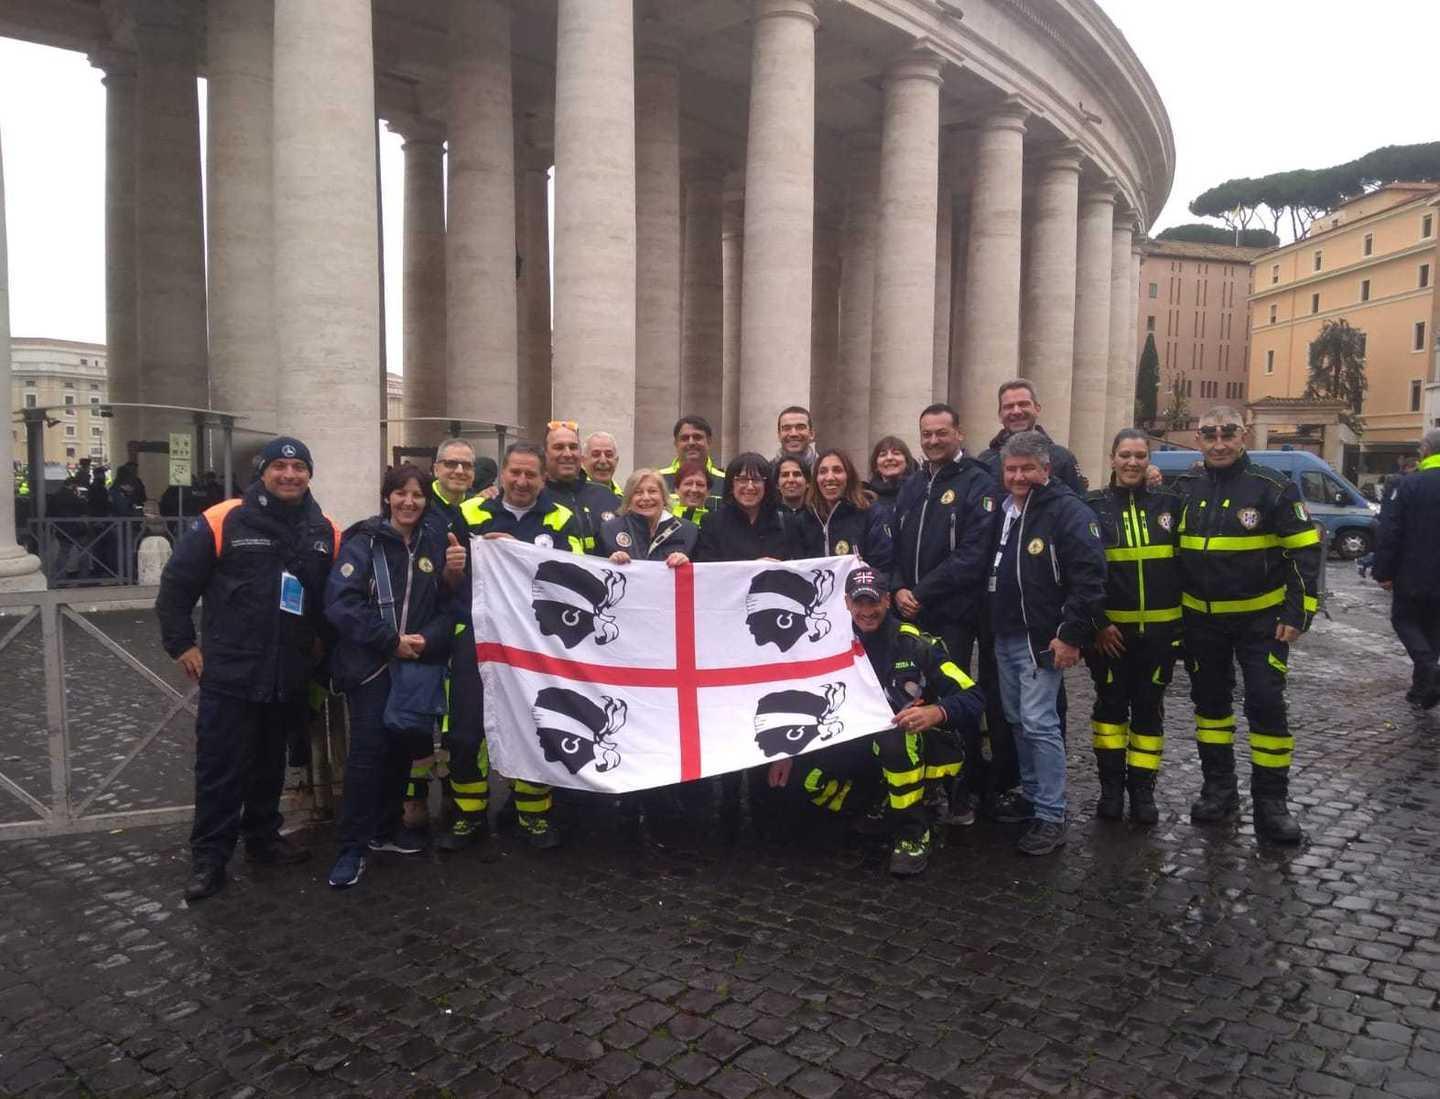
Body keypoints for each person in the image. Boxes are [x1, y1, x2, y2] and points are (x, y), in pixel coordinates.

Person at [156, 436, 339, 901]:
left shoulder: (324, 529)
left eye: (299, 469)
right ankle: (209, 856)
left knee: (268, 764)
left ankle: (262, 838)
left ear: (309, 475)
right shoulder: (223, 519)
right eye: (279, 467)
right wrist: (181, 645)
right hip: (232, 670)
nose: (289, 475)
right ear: (262, 472)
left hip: (289, 672)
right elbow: (177, 586)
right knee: (220, 767)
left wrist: (323, 648)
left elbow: (329, 602)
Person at [771, 566, 984, 876]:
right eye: (859, 603)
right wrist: (788, 754)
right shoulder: (831, 642)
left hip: (921, 745)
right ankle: (877, 805)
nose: (866, 612)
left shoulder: (914, 643)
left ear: (887, 601)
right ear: (846, 603)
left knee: (894, 738)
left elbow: (974, 696)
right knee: (801, 778)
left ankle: (913, 832)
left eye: (873, 603)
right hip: (858, 742)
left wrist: (934, 712)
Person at [1174, 406, 1320, 844]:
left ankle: (1272, 803)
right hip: (1202, 624)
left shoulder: (1273, 488)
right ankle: (1219, 790)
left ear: (1245, 435)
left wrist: (1298, 614)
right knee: (1210, 708)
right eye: (1209, 434)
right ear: (1197, 438)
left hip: (1261, 624)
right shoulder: (1184, 489)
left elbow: (1305, 555)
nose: (1219, 443)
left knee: (1266, 705)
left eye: (1228, 434)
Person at [444, 441, 585, 852]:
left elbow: (576, 579)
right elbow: (447, 580)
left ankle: (533, 815)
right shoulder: (469, 513)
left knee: (535, 726)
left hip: (534, 645)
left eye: (531, 475)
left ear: (543, 479)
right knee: (466, 730)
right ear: (501, 475)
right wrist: (456, 568)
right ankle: (468, 815)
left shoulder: (562, 519)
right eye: (515, 473)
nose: (522, 482)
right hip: (477, 640)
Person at [973, 431, 1107, 855]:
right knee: (1016, 720)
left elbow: (1089, 579)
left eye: (1027, 468)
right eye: (1011, 469)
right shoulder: (1005, 510)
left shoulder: (1066, 512)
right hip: (1005, 635)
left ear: (1045, 470)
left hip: (1041, 639)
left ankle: (1051, 813)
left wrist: (1070, 636)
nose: (1018, 476)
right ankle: (1032, 796)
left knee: (1039, 723)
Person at [323, 465, 454, 888]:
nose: (409, 502)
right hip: (371, 666)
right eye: (401, 494)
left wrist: (426, 640)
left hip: (412, 666)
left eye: (417, 495)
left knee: (401, 748)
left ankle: (384, 829)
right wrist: (388, 640)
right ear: (388, 498)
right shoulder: (363, 543)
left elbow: (445, 607)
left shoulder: (432, 544)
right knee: (366, 757)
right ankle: (351, 847)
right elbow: (341, 604)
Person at [889, 403, 1002, 823]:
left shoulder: (978, 484)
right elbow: (895, 546)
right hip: (910, 615)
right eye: (926, 434)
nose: (933, 440)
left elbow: (974, 555)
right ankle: (928, 784)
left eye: (941, 432)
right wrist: (898, 587)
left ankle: (963, 790)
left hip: (952, 615)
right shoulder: (913, 484)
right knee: (914, 699)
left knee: (955, 703)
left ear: (958, 433)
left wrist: (920, 591)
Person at [1082, 429, 1183, 824]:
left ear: (1149, 461)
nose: (1132, 463)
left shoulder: (1171, 504)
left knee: (1148, 713)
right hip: (1109, 637)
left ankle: (1142, 790)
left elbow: (1187, 567)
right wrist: (1098, 624)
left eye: (1140, 456)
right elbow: (1082, 574)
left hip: (1159, 636)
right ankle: (1110, 789)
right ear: (1112, 459)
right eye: (1125, 455)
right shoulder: (1091, 507)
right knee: (1109, 711)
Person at [1373, 428, 1440, 707]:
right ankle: (1423, 689)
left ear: (1425, 450)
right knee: (1433, 627)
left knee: (1405, 621)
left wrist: (1383, 571)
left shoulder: (1409, 485)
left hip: (1413, 571)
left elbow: (1390, 530)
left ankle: (1429, 671)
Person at [975, 379, 1086, 495]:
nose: (1016, 411)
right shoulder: (985, 461)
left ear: (1037, 409)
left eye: (1023, 404)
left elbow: (1079, 504)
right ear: (1000, 415)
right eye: (1009, 406)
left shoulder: (1062, 458)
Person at [694, 453, 808, 564]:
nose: (749, 486)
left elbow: (800, 567)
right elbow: (708, 571)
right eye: (742, 479)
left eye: (756, 479)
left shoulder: (787, 522)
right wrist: (753, 567)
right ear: (731, 485)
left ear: (766, 485)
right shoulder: (712, 523)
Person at [801, 448, 893, 574]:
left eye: (837, 470)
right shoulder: (806, 517)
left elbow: (882, 566)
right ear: (816, 479)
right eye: (822, 472)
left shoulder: (871, 514)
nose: (829, 477)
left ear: (849, 476)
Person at [542, 421, 619, 552]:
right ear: (545, 454)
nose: (567, 454)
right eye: (559, 447)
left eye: (573, 447)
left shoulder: (607, 496)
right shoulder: (533, 498)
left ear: (580, 455)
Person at [597, 469, 699, 563]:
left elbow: (702, 574)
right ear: (628, 499)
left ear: (663, 497)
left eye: (652, 491)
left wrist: (687, 564)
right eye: (638, 492)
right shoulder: (610, 530)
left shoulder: (688, 531)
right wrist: (610, 564)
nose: (646, 497)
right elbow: (596, 572)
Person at [660, 415, 725, 503]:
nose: (691, 442)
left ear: (709, 442)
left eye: (697, 437)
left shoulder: (725, 481)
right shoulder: (659, 480)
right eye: (685, 438)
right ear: (676, 443)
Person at [866, 435, 917, 533]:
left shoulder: (919, 493)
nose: (889, 458)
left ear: (907, 462)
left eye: (896, 453)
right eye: (883, 454)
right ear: (875, 465)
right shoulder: (867, 499)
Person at [670, 460, 714, 526]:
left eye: (700, 484)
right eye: (688, 484)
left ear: (708, 492)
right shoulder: (665, 519)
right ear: (676, 490)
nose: (694, 489)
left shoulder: (716, 524)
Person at [774, 406, 818, 471]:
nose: (793, 434)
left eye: (800, 427)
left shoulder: (825, 472)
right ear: (779, 435)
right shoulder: (768, 472)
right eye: (787, 428)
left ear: (811, 434)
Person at [582, 431, 623, 498]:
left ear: (616, 460)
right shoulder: (573, 498)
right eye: (596, 455)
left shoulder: (625, 500)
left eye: (609, 455)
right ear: (583, 460)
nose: (603, 461)